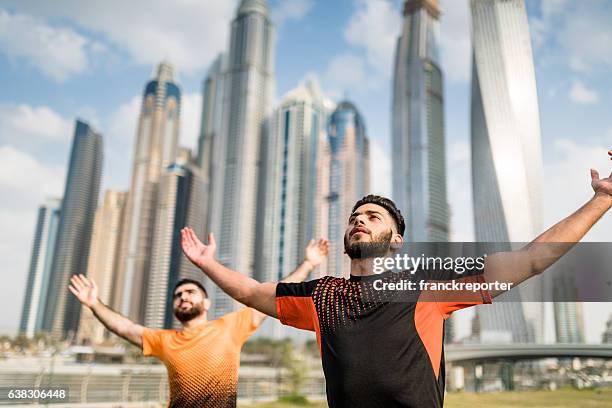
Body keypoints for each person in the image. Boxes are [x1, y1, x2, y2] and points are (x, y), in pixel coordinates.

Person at [180, 152, 612, 408]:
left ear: (397, 238)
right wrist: (208, 264)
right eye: (353, 218)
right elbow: (254, 292)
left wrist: (602, 200)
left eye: (372, 217)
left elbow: (530, 260)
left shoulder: (427, 282)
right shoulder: (322, 295)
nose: (358, 222)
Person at [68, 238, 329, 408]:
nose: (183, 297)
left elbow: (272, 297)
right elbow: (124, 328)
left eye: (190, 292)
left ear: (206, 303)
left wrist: (307, 263)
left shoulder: (231, 327)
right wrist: (94, 304)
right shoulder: (163, 340)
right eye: (178, 295)